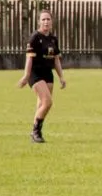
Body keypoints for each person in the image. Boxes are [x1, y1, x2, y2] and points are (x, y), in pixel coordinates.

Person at [17, 9, 66, 143]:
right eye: (43, 19)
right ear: (39, 22)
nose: (46, 22)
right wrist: (26, 76)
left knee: (41, 105)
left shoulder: (53, 39)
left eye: (48, 19)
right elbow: (29, 58)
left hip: (48, 74)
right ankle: (35, 131)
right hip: (35, 73)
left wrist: (61, 76)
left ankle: (35, 133)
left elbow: (56, 59)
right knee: (48, 102)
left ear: (52, 22)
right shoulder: (34, 38)